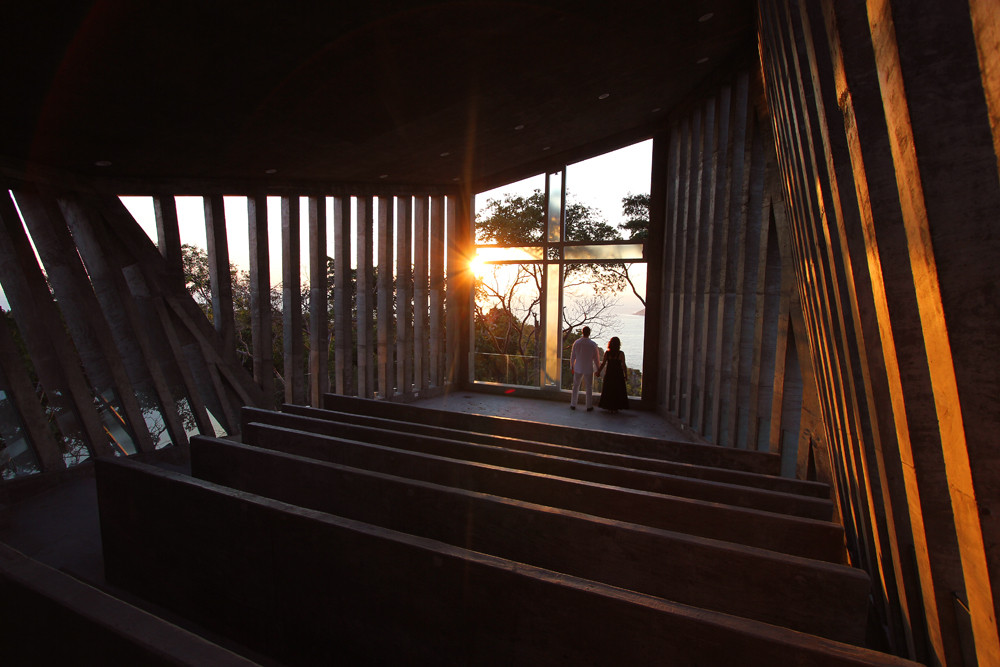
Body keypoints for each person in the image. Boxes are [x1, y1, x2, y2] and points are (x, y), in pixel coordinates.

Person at [569, 326, 601, 411]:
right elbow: (596, 359)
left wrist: (572, 366)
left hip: (578, 367)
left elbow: (573, 356)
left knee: (575, 386)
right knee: (589, 387)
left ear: (582, 332)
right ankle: (589, 406)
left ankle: (573, 404)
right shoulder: (593, 344)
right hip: (588, 368)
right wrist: (598, 369)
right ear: (589, 333)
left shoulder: (577, 342)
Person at [597, 336, 629, 413]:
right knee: (617, 390)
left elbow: (603, 364)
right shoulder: (621, 353)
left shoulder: (607, 353)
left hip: (609, 374)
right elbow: (623, 365)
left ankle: (609, 407)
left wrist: (598, 372)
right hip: (618, 374)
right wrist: (626, 374)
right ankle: (616, 407)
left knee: (609, 390)